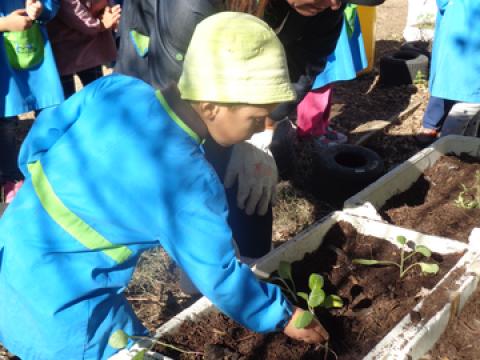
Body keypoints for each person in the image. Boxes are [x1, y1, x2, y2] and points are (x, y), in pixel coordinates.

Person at [0, 12, 330, 360]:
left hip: (14, 243)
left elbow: (45, 132)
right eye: (254, 117)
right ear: (211, 106)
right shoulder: (189, 181)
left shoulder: (118, 89)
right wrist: (283, 315)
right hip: (66, 305)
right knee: (132, 353)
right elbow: (219, 277)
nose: (261, 128)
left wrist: (39, 186)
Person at [115, 0, 345, 264]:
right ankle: (198, 271)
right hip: (165, 71)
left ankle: (250, 263)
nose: (336, 4)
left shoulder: (327, 9)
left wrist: (260, 133)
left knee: (247, 187)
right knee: (190, 183)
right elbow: (177, 90)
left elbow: (300, 68)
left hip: (226, 106)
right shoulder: (189, 7)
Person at [0, 0, 63, 203]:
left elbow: (51, 6)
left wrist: (42, 9)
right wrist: (5, 24)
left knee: (49, 110)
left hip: (34, 48)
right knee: (6, 119)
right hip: (4, 58)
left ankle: (51, 167)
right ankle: (11, 177)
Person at [296, 3, 368, 145]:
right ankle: (309, 131)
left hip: (335, 17)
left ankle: (321, 126)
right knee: (318, 80)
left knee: (329, 78)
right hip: (320, 20)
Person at [416, 0, 480, 144]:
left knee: (450, 81)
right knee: (469, 98)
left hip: (458, 27)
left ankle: (435, 131)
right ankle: (446, 146)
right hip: (464, 30)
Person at [47, 0, 122, 98]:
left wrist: (109, 11)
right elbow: (71, 9)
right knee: (68, 101)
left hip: (90, 49)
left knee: (98, 96)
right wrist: (99, 25)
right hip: (65, 49)